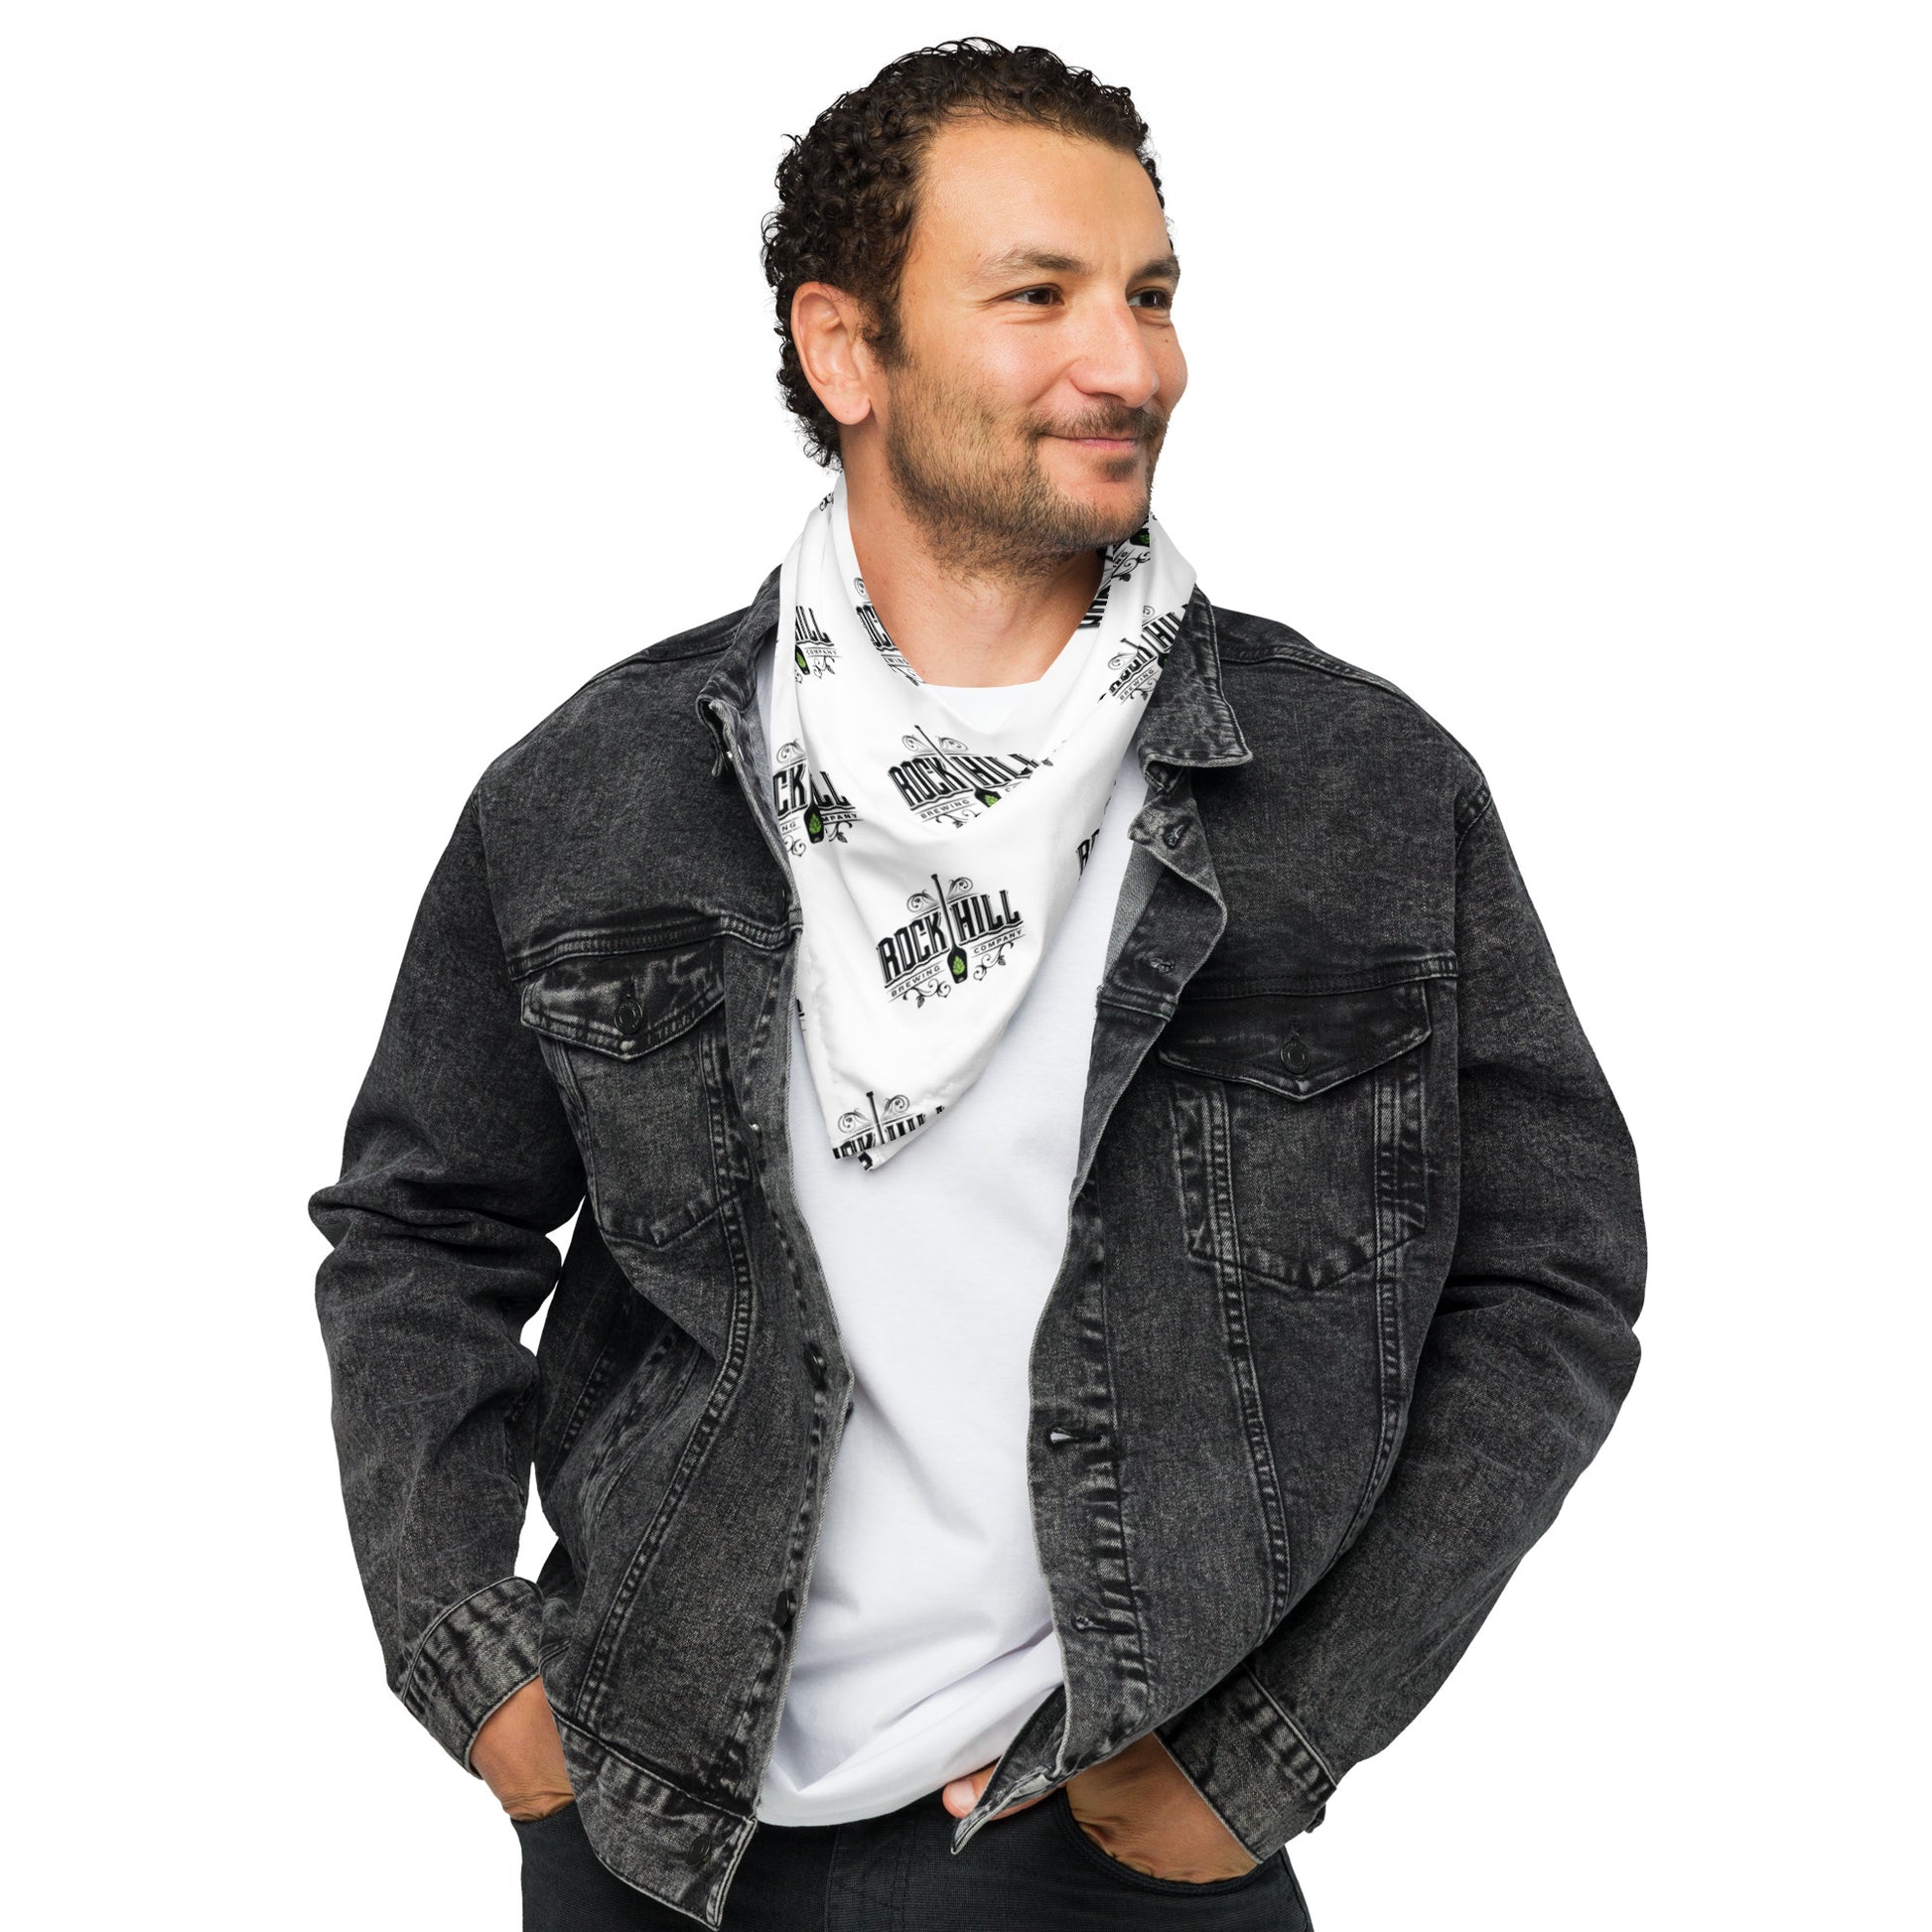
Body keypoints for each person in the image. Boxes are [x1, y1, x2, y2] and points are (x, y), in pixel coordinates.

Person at [311, 37, 1645, 1932]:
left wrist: (1266, 1749)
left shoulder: (1358, 790)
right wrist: (480, 1668)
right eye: (1039, 297)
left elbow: (1548, 1276)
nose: (1132, 363)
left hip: (1110, 1842)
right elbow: (420, 1229)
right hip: (656, 1838)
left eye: (1151, 294)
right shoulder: (597, 794)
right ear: (844, 350)